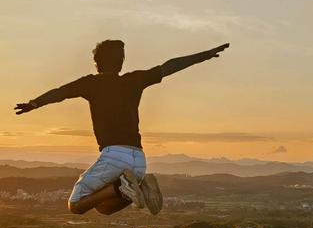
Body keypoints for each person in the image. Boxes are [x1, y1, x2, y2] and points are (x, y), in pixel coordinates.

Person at [15, 39, 229, 215]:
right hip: (139, 161)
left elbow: (59, 93)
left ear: (96, 63)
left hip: (114, 156)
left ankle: (123, 185)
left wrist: (34, 103)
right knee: (102, 208)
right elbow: (169, 66)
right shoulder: (134, 80)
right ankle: (139, 187)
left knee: (76, 203)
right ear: (121, 63)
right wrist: (205, 55)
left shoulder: (91, 83)